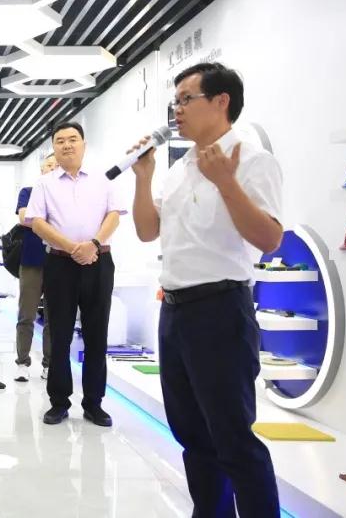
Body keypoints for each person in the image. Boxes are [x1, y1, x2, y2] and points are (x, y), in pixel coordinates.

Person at [130, 62, 281, 516]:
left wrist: (226, 183)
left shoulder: (251, 160)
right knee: (192, 436)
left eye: (186, 100)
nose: (176, 110)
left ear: (221, 101)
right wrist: (143, 178)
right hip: (175, 311)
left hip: (220, 309)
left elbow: (269, 239)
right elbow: (147, 231)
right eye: (174, 101)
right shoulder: (180, 167)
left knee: (233, 438)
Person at [24, 121, 124, 427]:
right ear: (53, 147)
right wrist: (71, 247)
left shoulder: (102, 179)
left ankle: (94, 403)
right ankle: (59, 402)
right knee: (59, 334)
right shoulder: (44, 184)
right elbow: (36, 222)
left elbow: (114, 215)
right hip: (60, 264)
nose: (67, 145)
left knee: (97, 335)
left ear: (83, 144)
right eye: (60, 141)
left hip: (99, 261)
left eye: (72, 139)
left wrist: (93, 244)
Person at [14, 154, 57, 382]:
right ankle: (22, 362)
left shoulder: (65, 195)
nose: (52, 169)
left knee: (53, 317)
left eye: (56, 166)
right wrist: (52, 220)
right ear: (42, 170)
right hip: (31, 261)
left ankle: (49, 364)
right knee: (26, 315)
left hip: (58, 262)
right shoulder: (28, 192)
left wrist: (37, 220)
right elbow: (24, 218)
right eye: (49, 165)